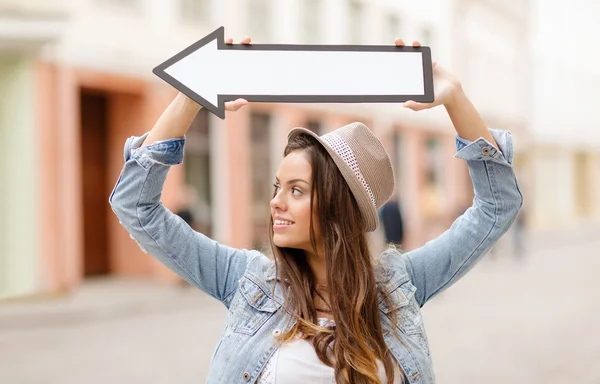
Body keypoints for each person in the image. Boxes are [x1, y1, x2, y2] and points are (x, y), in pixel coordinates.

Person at [109, 36, 523, 384]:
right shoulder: (247, 282)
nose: (276, 202)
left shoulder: (399, 288)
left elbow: (496, 207)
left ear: (335, 208)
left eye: (296, 189)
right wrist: (189, 97)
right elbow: (136, 207)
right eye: (277, 187)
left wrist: (455, 100)